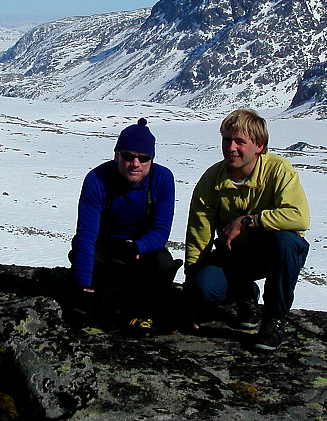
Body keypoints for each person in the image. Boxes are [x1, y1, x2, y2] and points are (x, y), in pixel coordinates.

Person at [184, 109, 310, 350]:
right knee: (204, 289)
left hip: (272, 253)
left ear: (259, 146)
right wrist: (192, 290)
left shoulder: (278, 171)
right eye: (226, 140)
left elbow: (299, 217)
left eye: (240, 141)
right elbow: (198, 234)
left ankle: (274, 319)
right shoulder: (212, 179)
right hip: (234, 257)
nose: (231, 147)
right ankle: (245, 295)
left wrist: (247, 221)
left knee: (287, 242)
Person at [68, 118, 179, 333]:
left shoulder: (163, 179)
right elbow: (86, 235)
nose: (135, 164)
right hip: (105, 247)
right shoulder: (97, 179)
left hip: (142, 249)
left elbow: (160, 232)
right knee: (84, 258)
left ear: (151, 160)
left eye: (143, 158)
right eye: (128, 156)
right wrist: (83, 288)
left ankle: (141, 307)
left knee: (162, 263)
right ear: (116, 155)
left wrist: (136, 247)